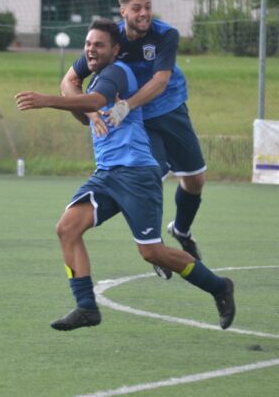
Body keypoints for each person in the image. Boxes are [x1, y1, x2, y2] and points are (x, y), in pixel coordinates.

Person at [16, 19, 235, 331]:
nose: (91, 49)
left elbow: (95, 100)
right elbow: (85, 104)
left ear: (115, 50)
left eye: (99, 44)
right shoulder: (98, 78)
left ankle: (219, 286)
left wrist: (48, 101)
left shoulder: (117, 73)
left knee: (151, 252)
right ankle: (86, 307)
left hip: (135, 173)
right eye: (88, 44)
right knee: (67, 229)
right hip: (107, 173)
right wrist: (84, 110)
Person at [62, 0, 207, 279]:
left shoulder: (165, 34)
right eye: (137, 8)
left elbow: (160, 81)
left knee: (194, 180)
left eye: (148, 7)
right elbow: (69, 81)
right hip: (142, 120)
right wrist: (90, 112)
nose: (144, 14)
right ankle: (155, 246)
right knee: (148, 173)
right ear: (123, 11)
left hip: (170, 109)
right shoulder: (109, 39)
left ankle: (181, 229)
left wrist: (125, 105)